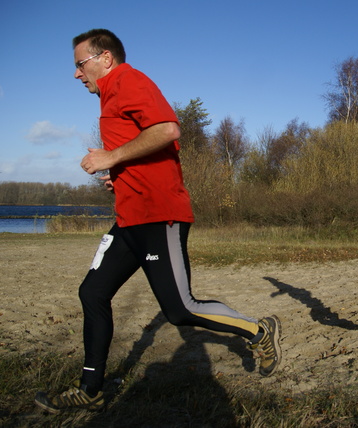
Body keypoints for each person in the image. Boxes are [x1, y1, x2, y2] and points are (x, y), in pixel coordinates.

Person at [35, 29, 281, 414]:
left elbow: (168, 130)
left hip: (158, 215)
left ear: (105, 58)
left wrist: (110, 157)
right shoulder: (109, 95)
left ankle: (258, 330)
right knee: (92, 293)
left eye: (80, 64)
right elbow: (142, 146)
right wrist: (117, 173)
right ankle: (90, 388)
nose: (76, 74)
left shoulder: (128, 81)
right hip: (128, 219)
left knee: (179, 309)